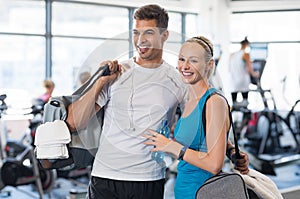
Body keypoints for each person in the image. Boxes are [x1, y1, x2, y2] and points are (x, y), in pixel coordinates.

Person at [65, 4, 249, 199]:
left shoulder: (178, 80)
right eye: (136, 32)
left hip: (148, 178)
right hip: (104, 175)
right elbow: (74, 122)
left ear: (164, 36)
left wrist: (229, 150)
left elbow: (200, 120)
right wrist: (99, 83)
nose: (140, 40)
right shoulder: (116, 72)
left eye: (149, 33)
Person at [143, 36, 232, 199]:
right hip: (184, 191)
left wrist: (171, 146)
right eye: (182, 59)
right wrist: (232, 151)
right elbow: (209, 139)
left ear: (209, 65)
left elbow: (214, 164)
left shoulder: (214, 102)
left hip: (203, 192)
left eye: (193, 61)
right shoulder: (190, 100)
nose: (185, 66)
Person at [229, 37, 259, 107]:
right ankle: (246, 117)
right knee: (245, 103)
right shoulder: (246, 54)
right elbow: (250, 68)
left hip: (233, 82)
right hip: (243, 81)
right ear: (246, 45)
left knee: (234, 104)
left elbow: (229, 69)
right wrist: (255, 74)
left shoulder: (233, 54)